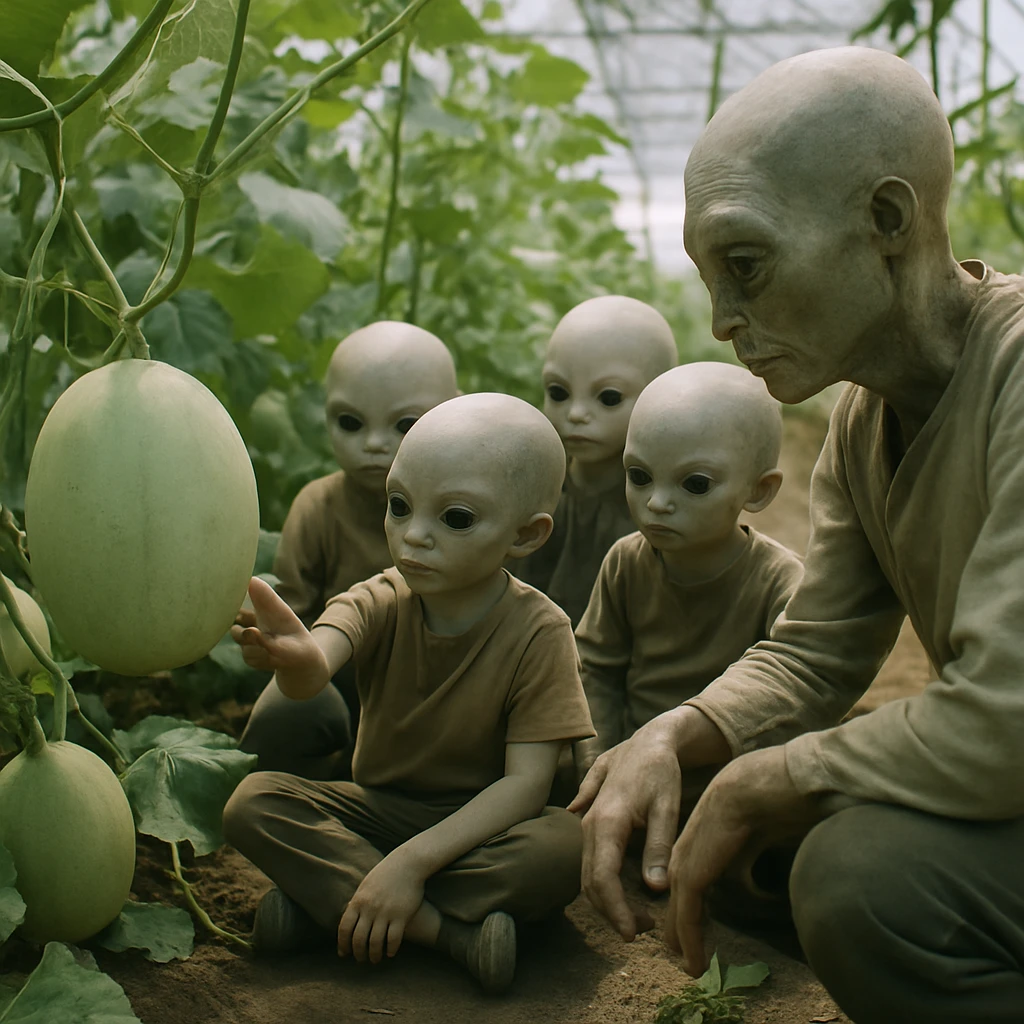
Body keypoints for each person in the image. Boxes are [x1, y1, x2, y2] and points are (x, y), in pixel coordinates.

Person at [571, 45, 1024, 1024]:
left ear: (886, 222)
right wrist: (672, 732)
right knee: (734, 821)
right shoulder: (863, 423)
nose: (721, 320)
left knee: (856, 877)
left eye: (745, 265)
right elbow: (816, 652)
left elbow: (1006, 717)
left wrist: (772, 777)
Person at [223, 394, 595, 995]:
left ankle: (334, 905)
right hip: (373, 812)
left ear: (526, 534)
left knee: (566, 847)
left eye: (455, 518)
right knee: (252, 802)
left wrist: (410, 863)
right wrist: (297, 660)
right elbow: (316, 666)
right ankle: (443, 934)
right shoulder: (380, 597)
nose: (413, 536)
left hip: (477, 829)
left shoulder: (542, 631)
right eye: (399, 505)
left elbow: (525, 787)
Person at [239, 322, 459, 779]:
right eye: (350, 422)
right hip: (335, 685)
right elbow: (294, 618)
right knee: (286, 715)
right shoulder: (318, 508)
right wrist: (273, 644)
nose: (374, 443)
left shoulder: (469, 509)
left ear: (456, 411)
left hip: (445, 697)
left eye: (404, 424)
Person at [574, 362, 802, 781]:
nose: (656, 502)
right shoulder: (626, 563)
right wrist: (596, 767)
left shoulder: (780, 582)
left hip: (735, 787)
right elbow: (596, 673)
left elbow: (795, 695)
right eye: (639, 476)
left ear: (759, 490)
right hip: (627, 774)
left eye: (694, 484)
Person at [515, 295, 678, 628]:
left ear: (662, 396)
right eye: (558, 392)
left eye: (608, 398)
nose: (576, 413)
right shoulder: (533, 485)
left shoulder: (663, 504)